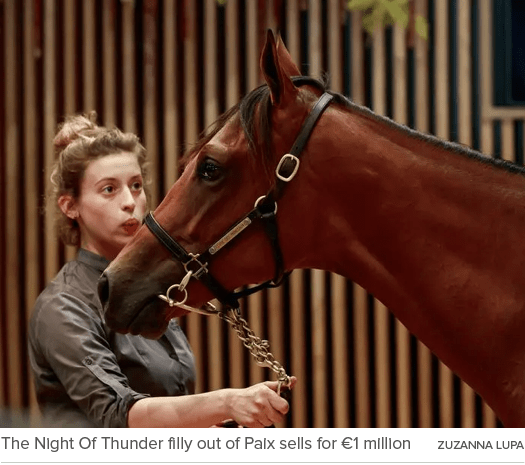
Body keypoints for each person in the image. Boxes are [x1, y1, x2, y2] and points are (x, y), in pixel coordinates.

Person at [28, 113, 294, 428]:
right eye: (109, 189)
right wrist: (227, 402)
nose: (130, 202)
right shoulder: (62, 305)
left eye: (136, 186)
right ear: (70, 206)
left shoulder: (147, 292)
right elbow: (115, 416)